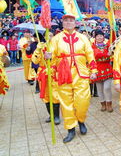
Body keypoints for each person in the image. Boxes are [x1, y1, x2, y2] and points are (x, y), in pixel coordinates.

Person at [45, 14, 97, 143]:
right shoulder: (56, 39)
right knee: (66, 104)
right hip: (63, 75)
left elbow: (90, 55)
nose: (68, 23)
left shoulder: (83, 38)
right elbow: (51, 58)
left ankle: (81, 120)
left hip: (81, 74)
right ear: (63, 23)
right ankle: (70, 129)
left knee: (82, 102)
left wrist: (94, 70)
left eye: (71, 21)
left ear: (75, 23)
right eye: (66, 21)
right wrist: (48, 57)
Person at [32, 35, 60, 125]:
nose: (50, 37)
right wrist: (38, 50)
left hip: (54, 73)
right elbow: (35, 61)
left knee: (55, 95)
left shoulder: (57, 46)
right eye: (48, 35)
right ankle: (50, 115)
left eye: (51, 35)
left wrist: (51, 58)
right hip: (43, 73)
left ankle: (56, 116)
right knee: (46, 95)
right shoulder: (41, 46)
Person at [92, 30, 113, 112]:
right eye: (98, 36)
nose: (99, 37)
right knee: (99, 89)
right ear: (95, 37)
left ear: (103, 37)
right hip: (97, 69)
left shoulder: (108, 45)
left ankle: (109, 104)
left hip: (107, 68)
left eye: (101, 35)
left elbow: (112, 52)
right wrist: (106, 54)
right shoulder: (92, 46)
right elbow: (95, 55)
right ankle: (103, 104)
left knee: (107, 88)